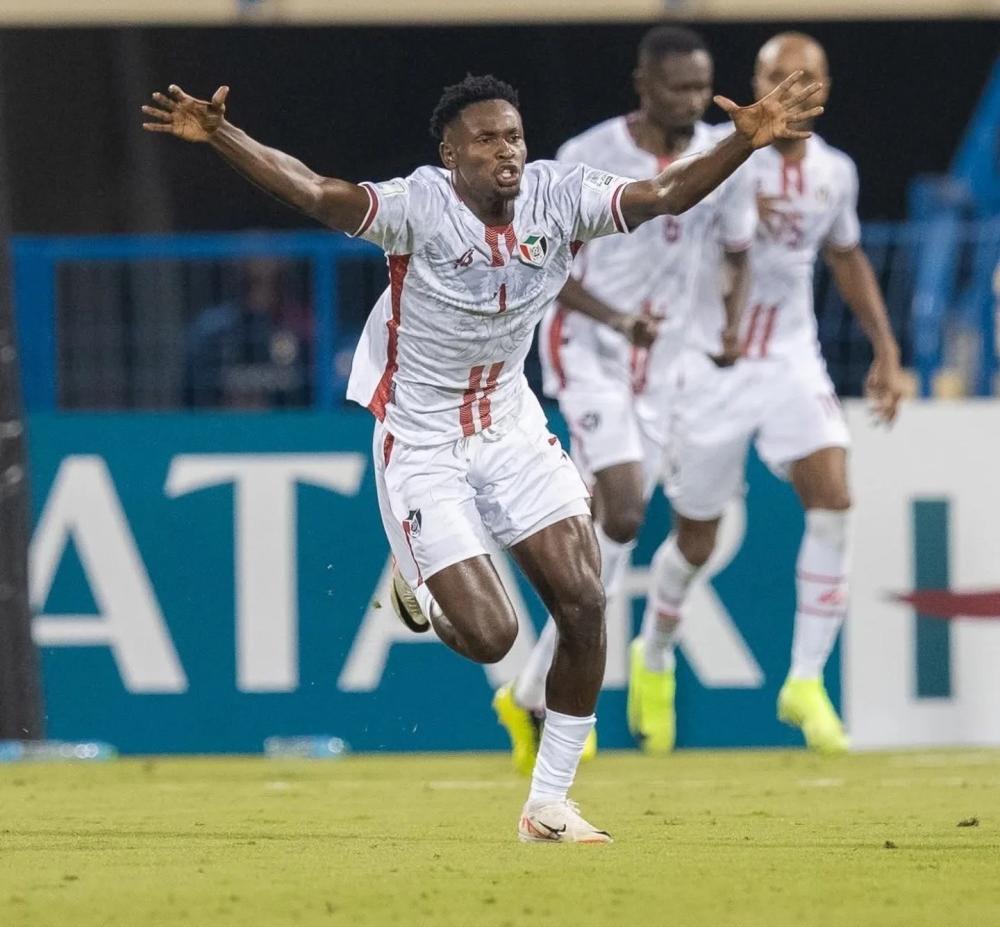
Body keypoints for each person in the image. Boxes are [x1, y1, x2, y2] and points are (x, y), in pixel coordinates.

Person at [142, 69, 822, 840]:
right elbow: (315, 193)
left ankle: (549, 803)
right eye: (488, 139)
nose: (507, 151)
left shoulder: (558, 195)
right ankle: (422, 590)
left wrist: (743, 138)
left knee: (585, 600)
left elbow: (662, 197)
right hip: (422, 438)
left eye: (515, 136)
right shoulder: (418, 206)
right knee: (494, 636)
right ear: (451, 152)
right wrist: (222, 133)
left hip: (511, 425)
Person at [493, 26, 756, 771]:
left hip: (667, 362)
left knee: (603, 521)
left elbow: (739, 253)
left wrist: (731, 327)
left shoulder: (719, 155)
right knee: (628, 506)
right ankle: (550, 688)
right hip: (590, 348)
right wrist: (616, 319)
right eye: (680, 88)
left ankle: (533, 688)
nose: (695, 101)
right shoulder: (585, 156)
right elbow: (541, 260)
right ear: (644, 85)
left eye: (702, 87)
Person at [640, 32, 904, 755]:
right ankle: (654, 655)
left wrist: (884, 349)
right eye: (776, 76)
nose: (792, 88)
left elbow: (845, 255)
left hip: (791, 360)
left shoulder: (835, 174)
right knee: (695, 540)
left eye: (806, 77)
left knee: (834, 497)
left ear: (824, 87)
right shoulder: (720, 161)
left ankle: (806, 681)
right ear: (755, 84)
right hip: (709, 368)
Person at [183, 255, 314, 409]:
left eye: (266, 254)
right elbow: (197, 385)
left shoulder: (300, 324)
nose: (261, 263)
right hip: (223, 424)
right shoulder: (213, 328)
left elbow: (306, 381)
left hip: (285, 422)